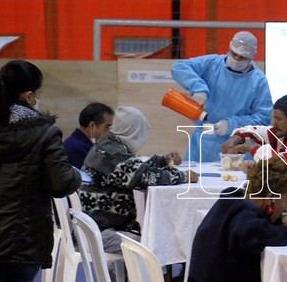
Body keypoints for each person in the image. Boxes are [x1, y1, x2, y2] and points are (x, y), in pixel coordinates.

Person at [0, 60, 81, 282]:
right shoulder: (44, 132)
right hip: (23, 237)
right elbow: (61, 183)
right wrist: (76, 175)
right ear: (29, 95)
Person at [78, 105, 198, 253]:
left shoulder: (110, 145)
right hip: (100, 232)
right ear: (134, 132)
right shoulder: (111, 152)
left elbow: (134, 171)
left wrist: (163, 161)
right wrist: (183, 176)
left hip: (100, 224)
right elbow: (144, 177)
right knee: (156, 247)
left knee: (158, 241)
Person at [187, 156, 287, 282]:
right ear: (271, 197)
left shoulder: (233, 203)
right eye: (286, 201)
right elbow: (264, 233)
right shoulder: (246, 217)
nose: (285, 208)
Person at [171, 31, 273, 162]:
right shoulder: (212, 64)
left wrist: (232, 124)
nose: (236, 60)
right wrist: (198, 87)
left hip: (236, 147)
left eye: (242, 58)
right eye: (234, 54)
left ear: (251, 57)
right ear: (229, 49)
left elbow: (263, 118)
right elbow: (179, 67)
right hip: (202, 143)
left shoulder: (258, 80)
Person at [221, 92, 287, 170]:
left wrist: (253, 148)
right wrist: (236, 138)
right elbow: (253, 131)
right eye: (274, 118)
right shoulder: (279, 133)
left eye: (279, 119)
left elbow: (283, 165)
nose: (274, 124)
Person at [64, 102, 114, 168]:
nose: (108, 132)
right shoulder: (77, 149)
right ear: (92, 126)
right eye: (106, 127)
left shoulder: (77, 142)